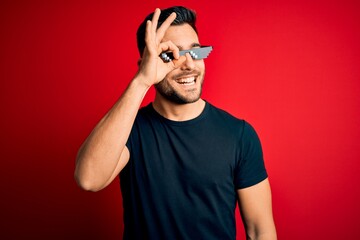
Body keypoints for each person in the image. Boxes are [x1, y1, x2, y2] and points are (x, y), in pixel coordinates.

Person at [75, 6, 277, 240]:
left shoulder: (239, 135)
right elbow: (88, 179)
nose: (189, 65)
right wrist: (142, 81)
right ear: (147, 63)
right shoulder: (129, 130)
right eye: (170, 55)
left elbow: (260, 231)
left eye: (195, 52)